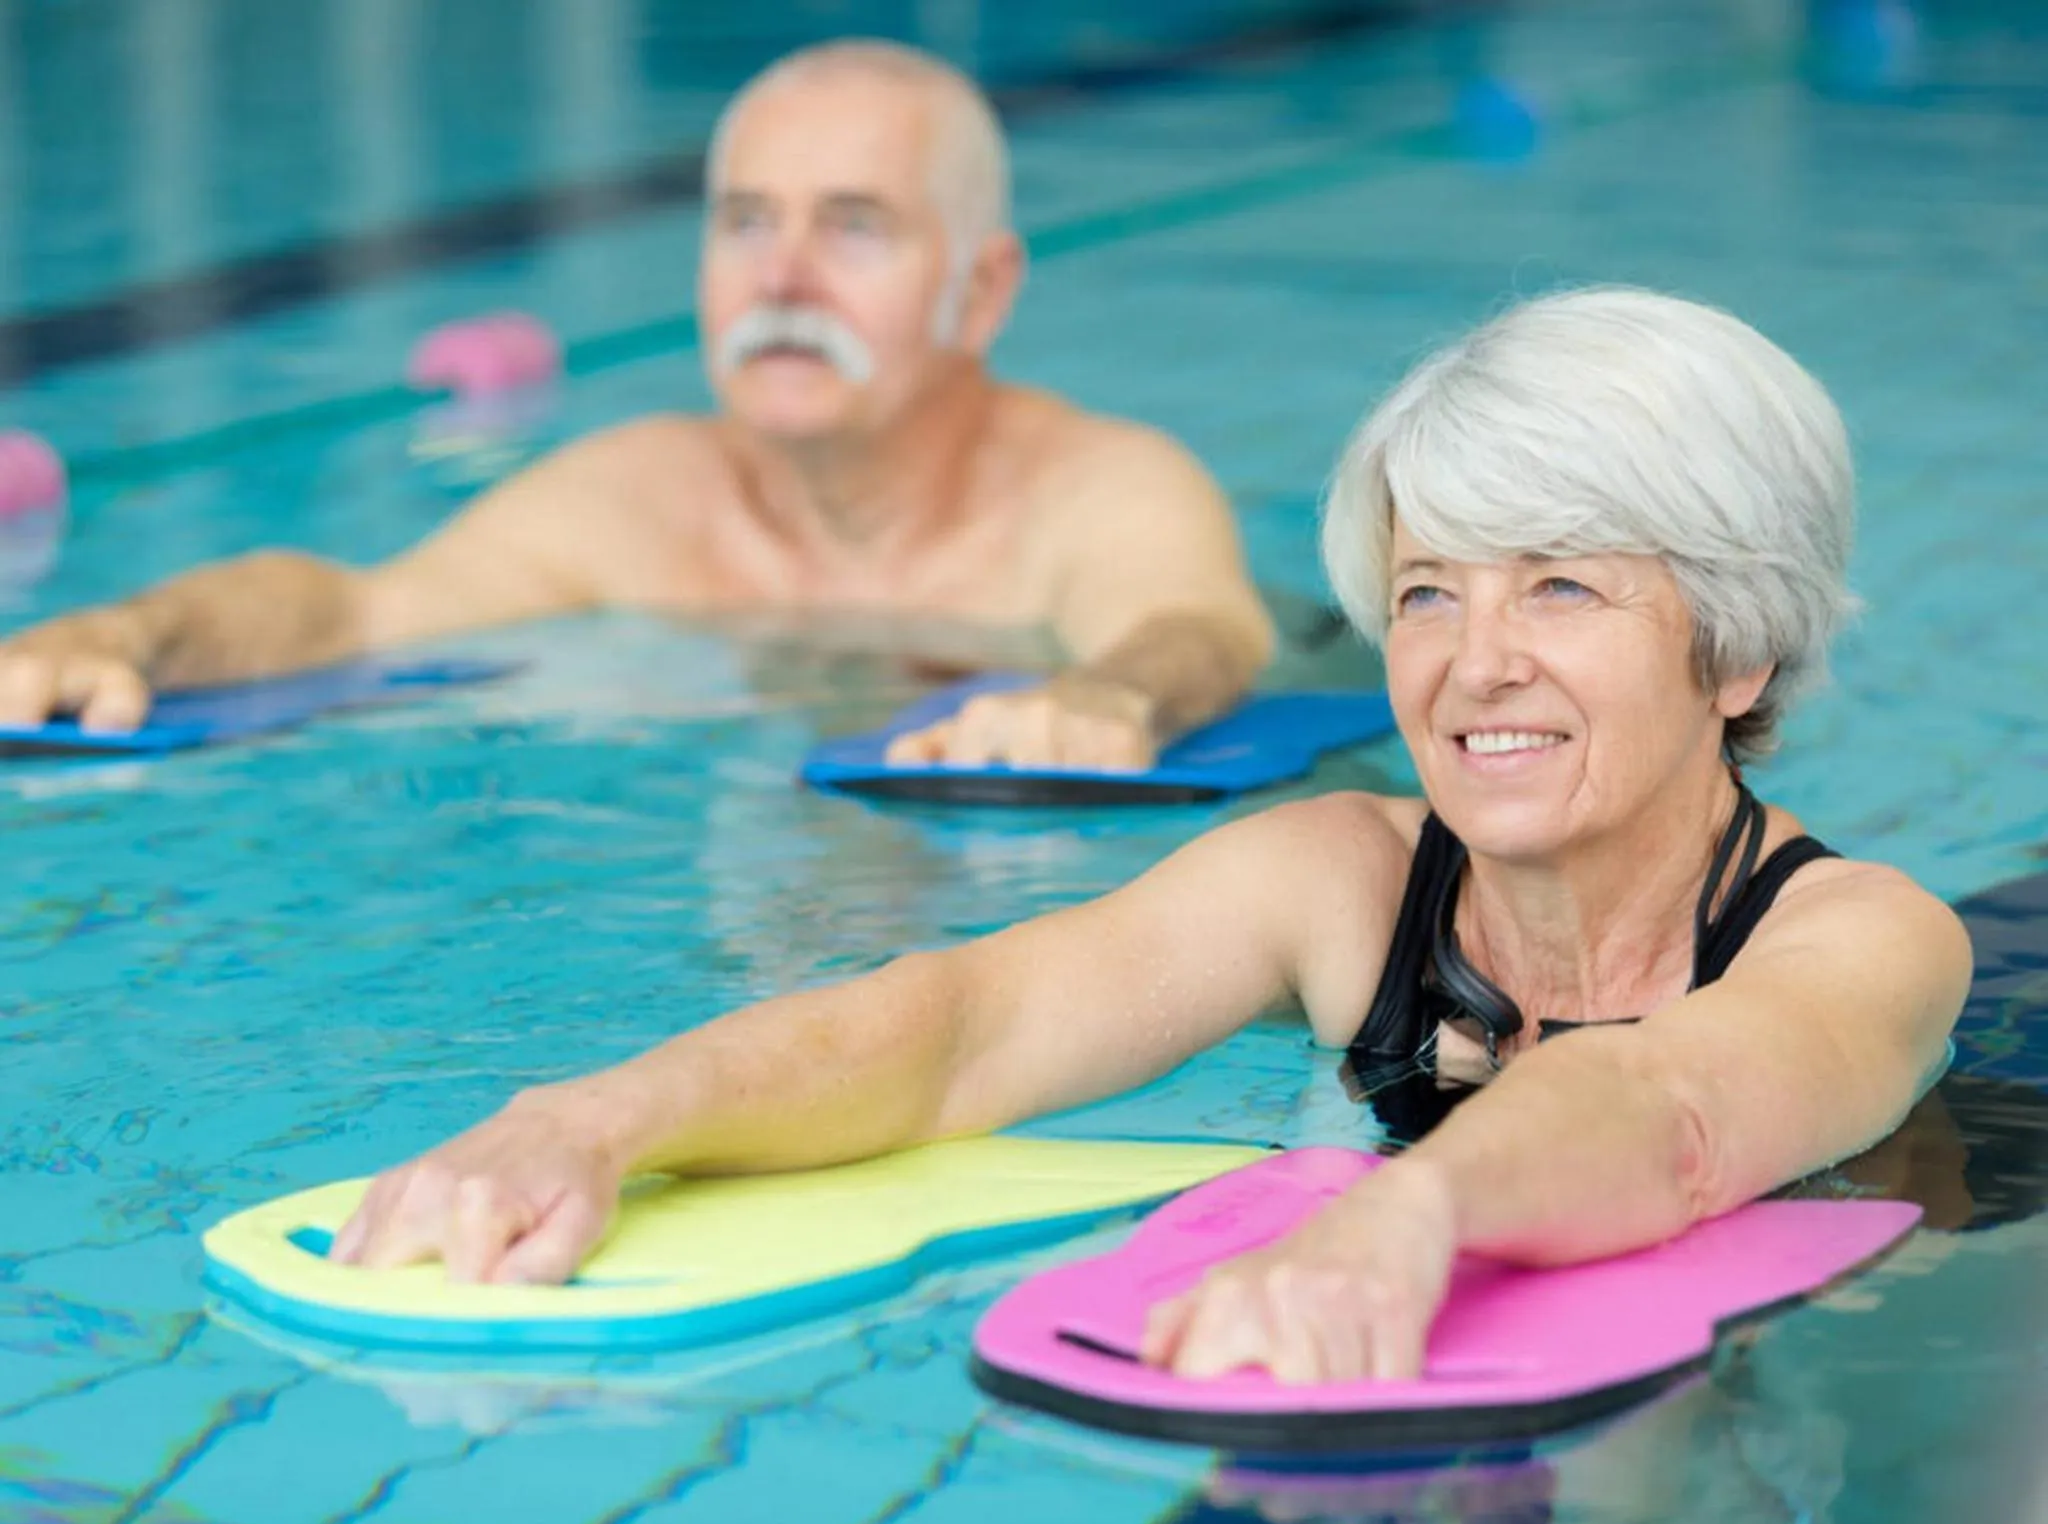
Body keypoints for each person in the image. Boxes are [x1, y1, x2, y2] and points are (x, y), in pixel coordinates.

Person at [329, 288, 1971, 1384]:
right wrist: (591, 1120)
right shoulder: (1341, 884)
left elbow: (1671, 1114)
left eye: (1558, 586)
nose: (1473, 666)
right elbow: (961, 1027)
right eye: (1426, 593)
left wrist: (1399, 1214)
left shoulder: (1862, 940)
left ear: (1737, 650)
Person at [0, 41, 1274, 773]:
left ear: (981, 291)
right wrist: (128, 631)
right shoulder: (637, 498)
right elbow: (351, 611)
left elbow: (1196, 631)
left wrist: (1112, 697)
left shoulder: (1097, 490)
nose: (781, 279)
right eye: (745, 223)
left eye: (852, 227)